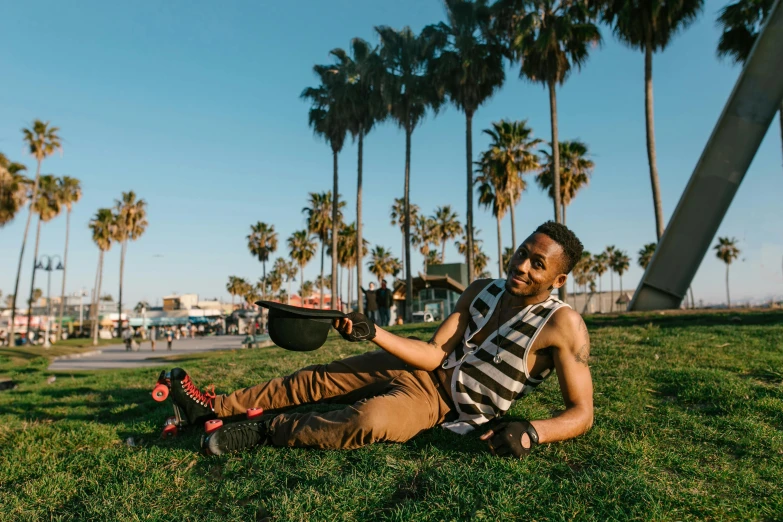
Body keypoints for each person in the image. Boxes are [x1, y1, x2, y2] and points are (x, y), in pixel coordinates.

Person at [165, 222, 593, 458]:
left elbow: (582, 413)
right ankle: (209, 408)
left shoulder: (563, 325)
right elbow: (433, 354)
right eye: (522, 253)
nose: (521, 266)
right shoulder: (482, 288)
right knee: (318, 380)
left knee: (367, 421)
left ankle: (265, 431)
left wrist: (533, 432)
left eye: (537, 264)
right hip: (421, 371)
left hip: (443, 405)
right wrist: (374, 332)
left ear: (557, 279)